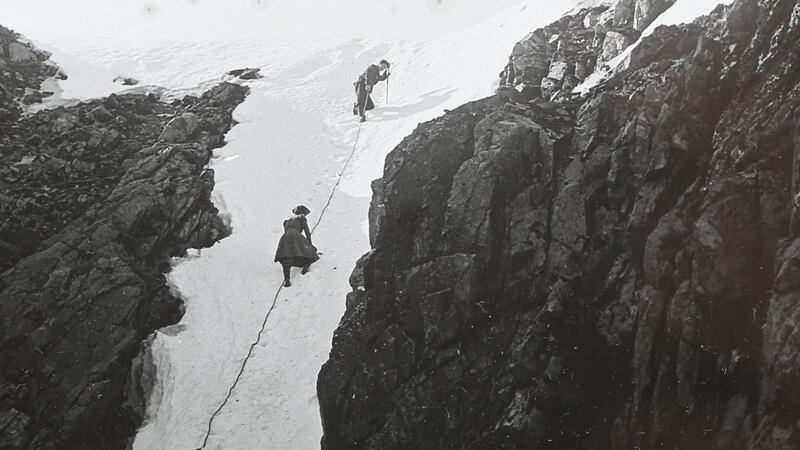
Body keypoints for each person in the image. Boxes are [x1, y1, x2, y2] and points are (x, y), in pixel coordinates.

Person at [274, 205, 319, 287]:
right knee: (308, 250)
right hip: (295, 235)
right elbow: (307, 231)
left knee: (287, 256)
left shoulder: (286, 221)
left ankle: (287, 280)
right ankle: (306, 264)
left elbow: (287, 231)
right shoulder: (301, 217)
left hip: (285, 238)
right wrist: (310, 244)